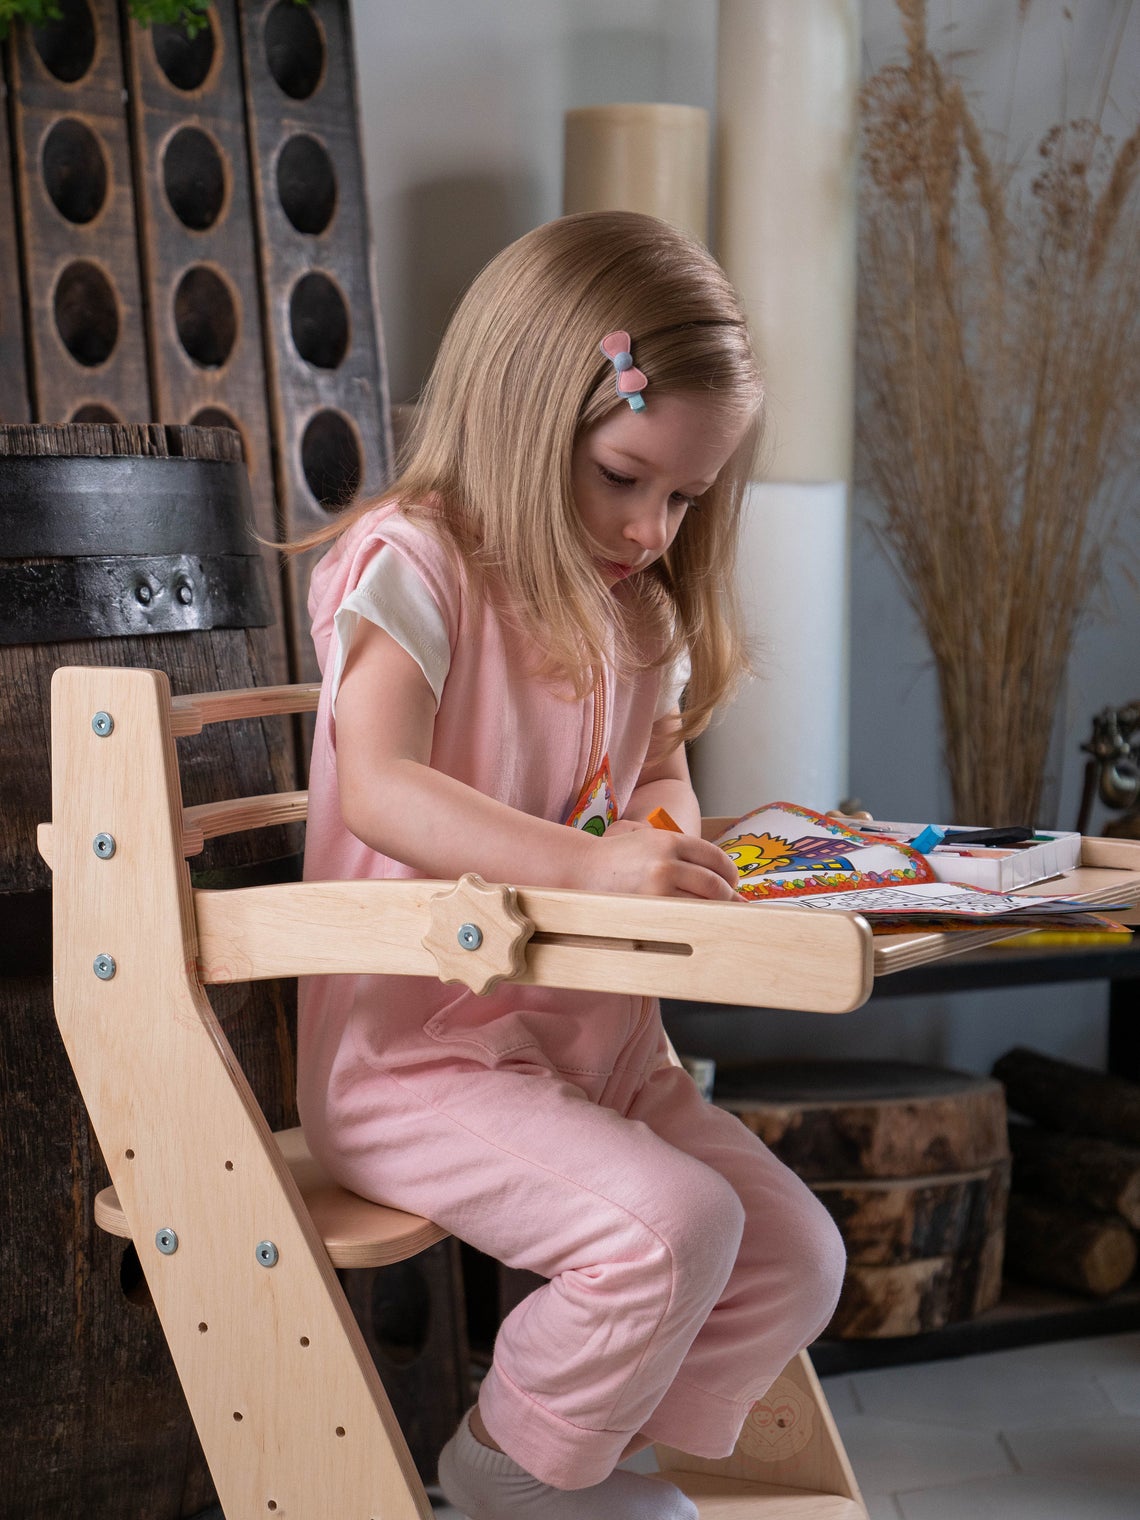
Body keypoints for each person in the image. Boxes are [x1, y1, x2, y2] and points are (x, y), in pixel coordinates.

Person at [294, 210, 845, 1520]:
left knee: (795, 1260)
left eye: (685, 496)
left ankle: (573, 1461)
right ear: (529, 413)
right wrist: (589, 875)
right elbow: (377, 782)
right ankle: (509, 1475)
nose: (653, 526)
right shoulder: (416, 565)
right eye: (623, 476)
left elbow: (654, 774)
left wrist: (665, 838)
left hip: (595, 1053)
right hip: (419, 1062)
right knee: (675, 1230)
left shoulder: (638, 612)